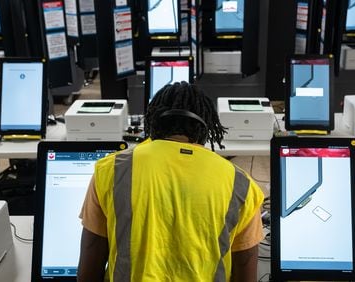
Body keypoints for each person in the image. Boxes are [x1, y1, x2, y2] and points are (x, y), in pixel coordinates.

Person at [78, 82, 265, 282]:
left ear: (152, 122)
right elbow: (245, 273)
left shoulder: (111, 170)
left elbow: (90, 264)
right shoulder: (241, 185)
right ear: (207, 127)